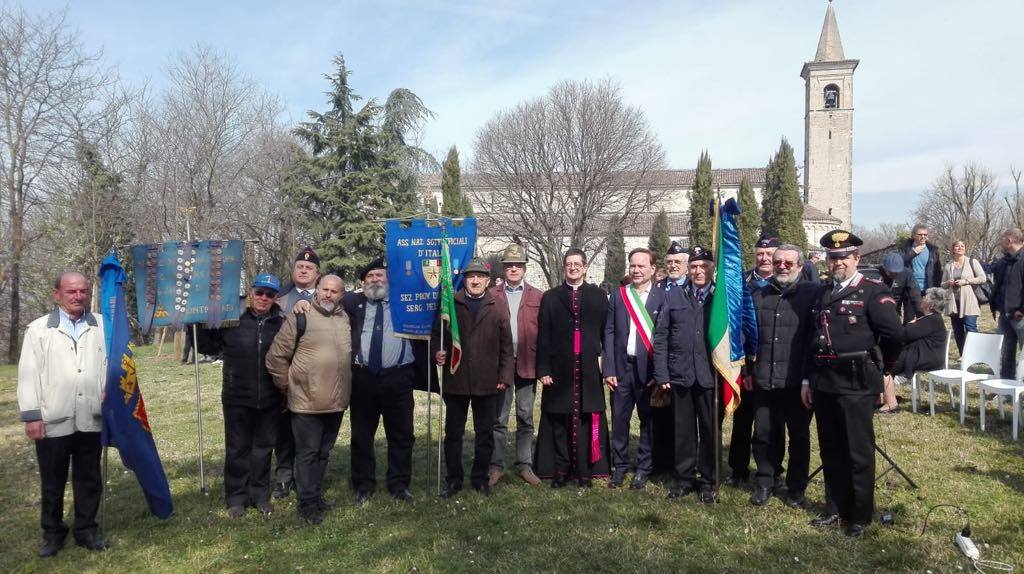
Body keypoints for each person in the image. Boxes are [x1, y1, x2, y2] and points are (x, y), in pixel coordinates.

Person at [803, 230, 903, 537]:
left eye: (843, 257)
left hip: (856, 382)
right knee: (831, 449)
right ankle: (834, 508)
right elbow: (811, 338)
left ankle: (860, 515)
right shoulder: (822, 293)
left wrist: (884, 368)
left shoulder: (873, 291)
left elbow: (894, 335)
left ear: (856, 258)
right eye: (833, 258)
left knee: (858, 452)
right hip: (825, 382)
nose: (838, 263)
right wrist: (807, 378)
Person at [17, 272, 109, 557]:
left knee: (89, 478)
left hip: (91, 415)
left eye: (82, 291)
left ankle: (86, 529)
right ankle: (53, 533)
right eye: (71, 291)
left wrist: (109, 392)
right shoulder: (38, 329)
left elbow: (112, 363)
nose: (78, 296)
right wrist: (32, 416)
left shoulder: (102, 325)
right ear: (57, 294)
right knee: (53, 480)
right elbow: (28, 374)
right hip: (53, 418)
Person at [196, 274, 285, 518]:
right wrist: (196, 323)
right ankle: (236, 497)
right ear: (251, 292)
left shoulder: (281, 323)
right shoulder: (232, 318)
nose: (264, 298)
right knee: (237, 449)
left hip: (270, 397)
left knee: (263, 449)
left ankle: (260, 496)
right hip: (237, 396)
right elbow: (208, 346)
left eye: (269, 294)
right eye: (260, 292)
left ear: (275, 298)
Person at [266, 274, 352, 525]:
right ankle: (307, 504)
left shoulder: (344, 318)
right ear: (317, 290)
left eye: (334, 291)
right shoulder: (300, 316)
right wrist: (288, 387)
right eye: (324, 289)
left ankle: (314, 494)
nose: (328, 294)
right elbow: (276, 357)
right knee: (307, 453)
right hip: (306, 402)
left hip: (336, 402)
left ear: (341, 295)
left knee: (323, 453)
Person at [433, 258, 514, 497]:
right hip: (456, 379)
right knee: (453, 434)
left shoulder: (498, 306)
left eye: (480, 277)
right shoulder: (451, 304)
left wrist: (505, 376)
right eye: (471, 277)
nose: (475, 281)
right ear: (465, 280)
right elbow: (437, 335)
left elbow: (506, 347)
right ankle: (454, 480)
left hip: (487, 381)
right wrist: (437, 352)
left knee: (485, 434)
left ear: (488, 281)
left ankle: (480, 479)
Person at [745, 245, 818, 508]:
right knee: (764, 434)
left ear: (800, 265)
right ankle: (766, 480)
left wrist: (809, 378)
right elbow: (749, 337)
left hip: (797, 381)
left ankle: (796, 488)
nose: (782, 266)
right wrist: (748, 370)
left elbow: (814, 339)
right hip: (764, 377)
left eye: (788, 262)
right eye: (778, 262)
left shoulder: (813, 293)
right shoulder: (759, 294)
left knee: (798, 437)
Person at [534, 248, 611, 487]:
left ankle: (585, 472)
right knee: (559, 420)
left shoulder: (598, 296)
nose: (573, 267)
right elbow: (543, 336)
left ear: (585, 267)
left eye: (578, 264)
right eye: (569, 264)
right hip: (559, 369)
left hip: (588, 369)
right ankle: (560, 470)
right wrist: (543, 369)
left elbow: (607, 334)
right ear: (563, 267)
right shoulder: (551, 297)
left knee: (587, 419)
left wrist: (608, 367)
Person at [345, 258, 419, 503]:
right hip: (363, 378)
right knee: (361, 435)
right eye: (370, 276)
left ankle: (399, 484)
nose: (375, 280)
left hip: (398, 378)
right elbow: (324, 298)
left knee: (401, 435)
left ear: (389, 279)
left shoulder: (405, 303)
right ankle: (363, 485)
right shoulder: (352, 304)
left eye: (380, 275)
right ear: (363, 282)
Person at [653, 246, 719, 504]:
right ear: (687, 269)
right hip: (680, 374)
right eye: (694, 267)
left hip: (710, 376)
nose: (698, 271)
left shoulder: (720, 299)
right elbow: (661, 336)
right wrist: (662, 374)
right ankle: (683, 478)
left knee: (710, 430)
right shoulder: (675, 296)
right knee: (683, 431)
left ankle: (709, 480)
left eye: (704, 267)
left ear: (712, 269)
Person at [602, 248, 667, 490]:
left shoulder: (662, 297)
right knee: (619, 420)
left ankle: (643, 468)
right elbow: (609, 332)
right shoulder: (619, 296)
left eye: (641, 266)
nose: (636, 270)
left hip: (648, 370)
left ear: (652, 269)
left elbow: (665, 337)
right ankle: (619, 467)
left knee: (648, 421)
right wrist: (608, 369)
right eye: (633, 266)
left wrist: (659, 373)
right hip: (621, 369)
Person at [489, 243, 544, 487]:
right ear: (503, 269)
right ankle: (495, 466)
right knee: (498, 418)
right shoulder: (492, 295)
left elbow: (544, 332)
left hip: (527, 362)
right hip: (500, 364)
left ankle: (524, 464)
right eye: (509, 265)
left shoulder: (537, 296)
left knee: (525, 416)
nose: (513, 269)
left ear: (524, 268)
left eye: (518, 265)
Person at [727, 236, 778, 487]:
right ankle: (738, 469)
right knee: (742, 420)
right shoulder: (742, 282)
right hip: (744, 362)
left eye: (769, 254)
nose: (764, 258)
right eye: (760, 253)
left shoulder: (784, 283)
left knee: (769, 423)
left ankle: (770, 470)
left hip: (774, 364)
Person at [272, 246, 321, 500]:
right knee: (284, 431)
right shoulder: (278, 300)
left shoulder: (327, 298)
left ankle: (310, 478)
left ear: (317, 273)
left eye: (309, 268)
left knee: (311, 433)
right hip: (285, 374)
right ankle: (283, 478)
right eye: (299, 267)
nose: (303, 270)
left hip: (316, 376)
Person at [880, 288, 949, 413]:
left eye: (925, 298)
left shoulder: (931, 320)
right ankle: (883, 397)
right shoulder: (930, 319)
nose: (922, 299)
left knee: (886, 365)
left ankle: (890, 402)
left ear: (930, 305)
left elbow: (905, 334)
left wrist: (911, 324)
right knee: (888, 357)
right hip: (924, 354)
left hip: (928, 357)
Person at [941, 240, 987, 354]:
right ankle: (963, 354)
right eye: (957, 246)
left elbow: (982, 278)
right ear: (953, 249)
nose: (960, 248)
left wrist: (966, 281)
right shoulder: (948, 265)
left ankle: (975, 355)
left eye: (962, 246)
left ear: (965, 248)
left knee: (971, 328)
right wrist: (948, 282)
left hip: (969, 301)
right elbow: (942, 284)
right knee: (958, 331)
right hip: (954, 303)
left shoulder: (972, 262)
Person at [990, 228, 1024, 379]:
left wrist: (1022, 310)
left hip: (1020, 316)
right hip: (1005, 314)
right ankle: (1007, 384)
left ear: (1009, 240)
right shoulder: (1004, 261)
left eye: (1002, 239)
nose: (1000, 242)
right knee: (1006, 352)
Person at [879, 252, 924, 324]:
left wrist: (922, 317)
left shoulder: (907, 274)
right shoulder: (876, 274)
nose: (894, 274)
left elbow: (915, 296)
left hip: (894, 309)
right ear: (884, 267)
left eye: (896, 272)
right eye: (891, 272)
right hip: (877, 308)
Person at [900, 224, 942, 292]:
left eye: (925, 235)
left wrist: (938, 288)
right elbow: (899, 262)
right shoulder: (905, 248)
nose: (923, 237)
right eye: (920, 234)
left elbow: (938, 271)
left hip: (929, 289)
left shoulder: (933, 250)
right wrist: (913, 253)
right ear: (913, 235)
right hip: (910, 288)